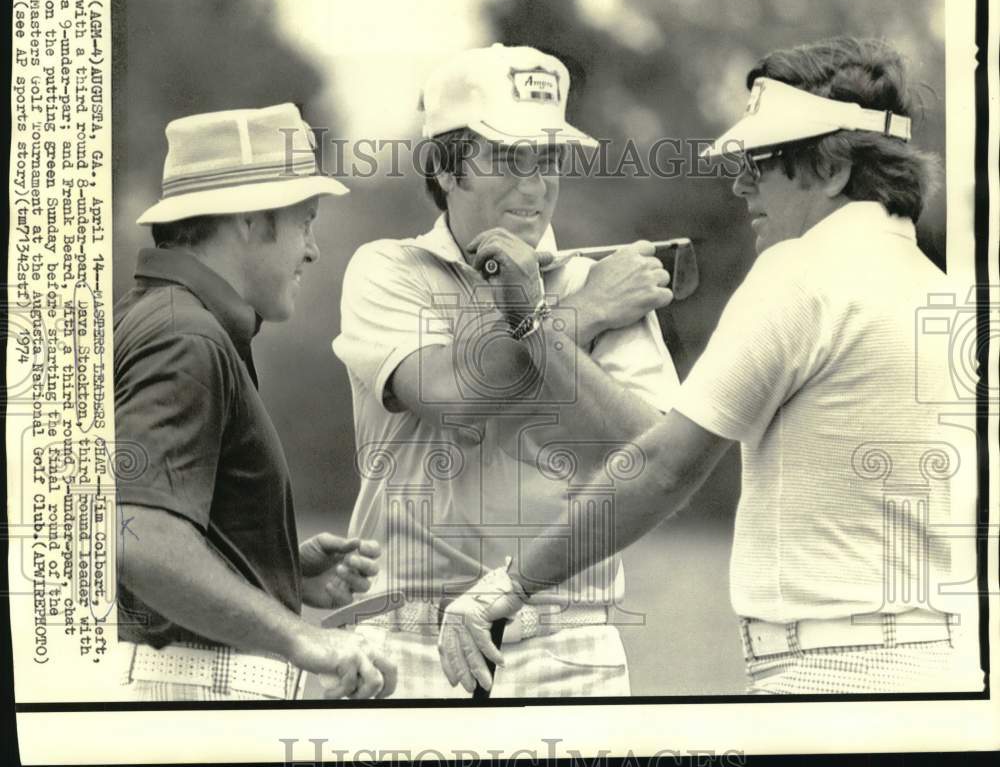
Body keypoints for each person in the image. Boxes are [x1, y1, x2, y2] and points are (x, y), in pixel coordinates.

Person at [439, 36, 984, 695]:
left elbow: (665, 468)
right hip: (954, 667)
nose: (740, 179)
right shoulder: (948, 292)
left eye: (765, 160)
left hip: (832, 673)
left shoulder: (799, 271)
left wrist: (508, 584)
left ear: (836, 169)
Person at [332, 44, 679, 697]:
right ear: (442, 164)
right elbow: (452, 394)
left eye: (548, 156)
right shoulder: (386, 269)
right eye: (509, 155)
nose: (536, 181)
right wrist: (578, 314)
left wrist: (562, 312)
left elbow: (651, 456)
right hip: (409, 641)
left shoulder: (592, 275)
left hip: (569, 636)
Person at [115, 103, 396, 701]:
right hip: (196, 693)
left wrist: (271, 567)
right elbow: (136, 538)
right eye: (305, 221)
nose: (313, 249)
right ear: (247, 220)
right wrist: (306, 639)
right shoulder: (185, 338)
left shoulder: (159, 318)